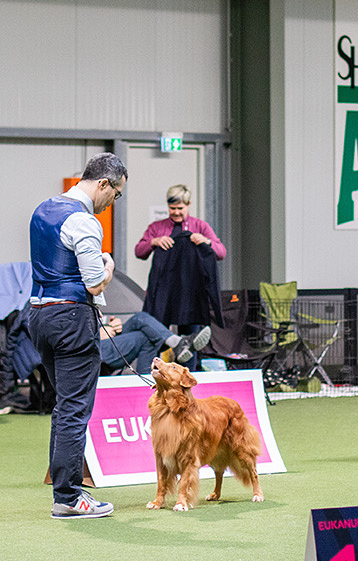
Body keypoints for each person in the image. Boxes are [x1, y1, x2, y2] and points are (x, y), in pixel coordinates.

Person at [29, 152, 125, 519]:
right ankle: (68, 498)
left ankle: (64, 489)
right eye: (115, 194)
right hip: (71, 317)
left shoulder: (43, 209)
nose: (111, 202)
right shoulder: (84, 221)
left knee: (63, 405)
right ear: (103, 183)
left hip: (39, 315)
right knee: (74, 408)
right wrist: (109, 268)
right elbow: (93, 281)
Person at [134, 183, 225, 370]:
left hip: (190, 293)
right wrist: (154, 241)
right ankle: (155, 378)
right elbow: (139, 251)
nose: (175, 212)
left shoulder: (200, 226)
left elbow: (221, 252)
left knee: (190, 342)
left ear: (189, 204)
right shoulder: (157, 227)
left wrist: (206, 241)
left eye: (180, 208)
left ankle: (187, 380)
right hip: (163, 292)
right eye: (172, 208)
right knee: (156, 337)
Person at [98, 313, 210, 374]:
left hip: (102, 338)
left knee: (140, 318)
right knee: (146, 337)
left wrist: (110, 326)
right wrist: (97, 333)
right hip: (90, 347)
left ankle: (178, 343)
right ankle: (178, 344)